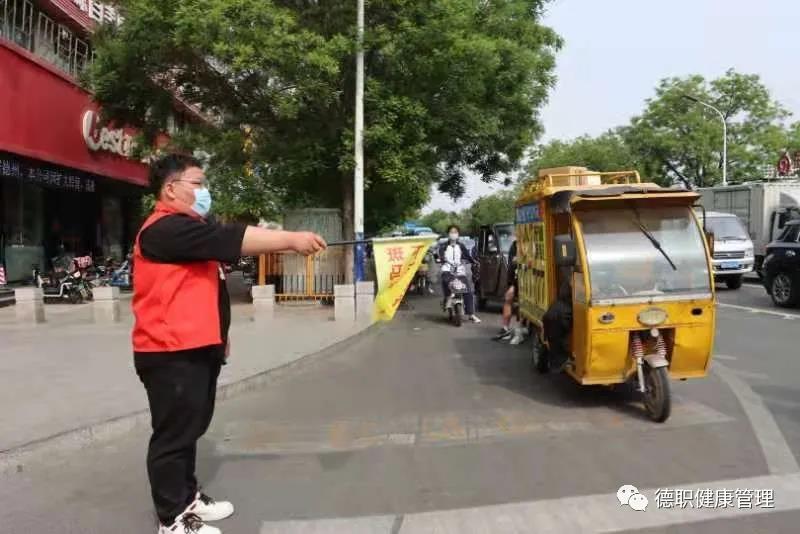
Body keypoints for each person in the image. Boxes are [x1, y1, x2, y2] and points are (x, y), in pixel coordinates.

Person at [132, 154, 326, 534]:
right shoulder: (165, 229)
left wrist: (221, 337)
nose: (205, 191)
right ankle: (172, 519)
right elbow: (231, 238)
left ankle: (187, 498)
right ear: (170, 189)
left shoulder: (190, 230)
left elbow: (205, 289)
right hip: (169, 352)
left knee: (191, 428)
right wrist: (290, 240)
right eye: (198, 183)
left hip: (197, 347)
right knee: (173, 436)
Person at [437, 225, 481, 323]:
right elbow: (440, 255)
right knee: (446, 284)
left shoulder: (461, 246)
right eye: (451, 232)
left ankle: (471, 314)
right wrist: (441, 260)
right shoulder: (443, 246)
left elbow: (468, 256)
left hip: (460, 271)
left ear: (458, 234)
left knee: (468, 291)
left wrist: (474, 262)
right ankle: (447, 299)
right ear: (448, 234)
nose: (453, 234)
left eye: (455, 232)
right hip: (447, 271)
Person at [493, 238, 523, 343]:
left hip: (527, 279)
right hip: (516, 279)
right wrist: (511, 283)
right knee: (508, 298)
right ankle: (505, 328)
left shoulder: (530, 244)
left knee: (522, 303)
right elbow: (512, 264)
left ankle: (520, 328)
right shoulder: (515, 245)